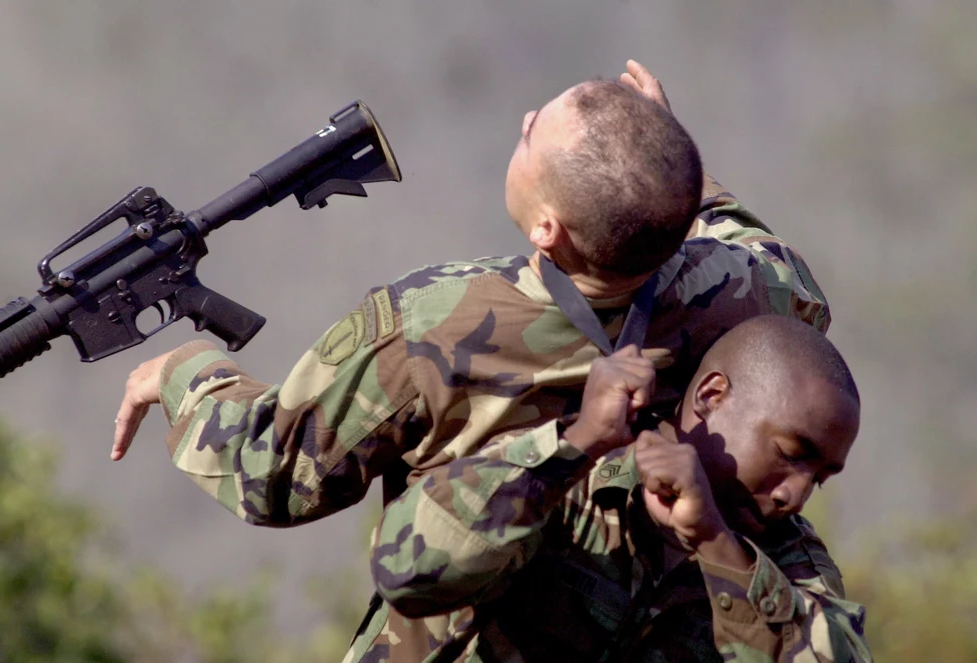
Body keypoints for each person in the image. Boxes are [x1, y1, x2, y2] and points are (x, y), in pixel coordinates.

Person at [111, 61, 827, 543]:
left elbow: (275, 475)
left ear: (548, 228)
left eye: (530, 137)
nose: (520, 122)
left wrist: (186, 373)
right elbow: (785, 275)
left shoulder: (430, 323)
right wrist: (669, 161)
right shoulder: (743, 297)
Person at [364, 315, 870, 662]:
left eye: (819, 478)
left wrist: (715, 542)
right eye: (790, 454)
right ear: (713, 395)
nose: (795, 495)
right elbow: (405, 570)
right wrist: (580, 442)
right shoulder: (557, 469)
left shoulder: (786, 560)